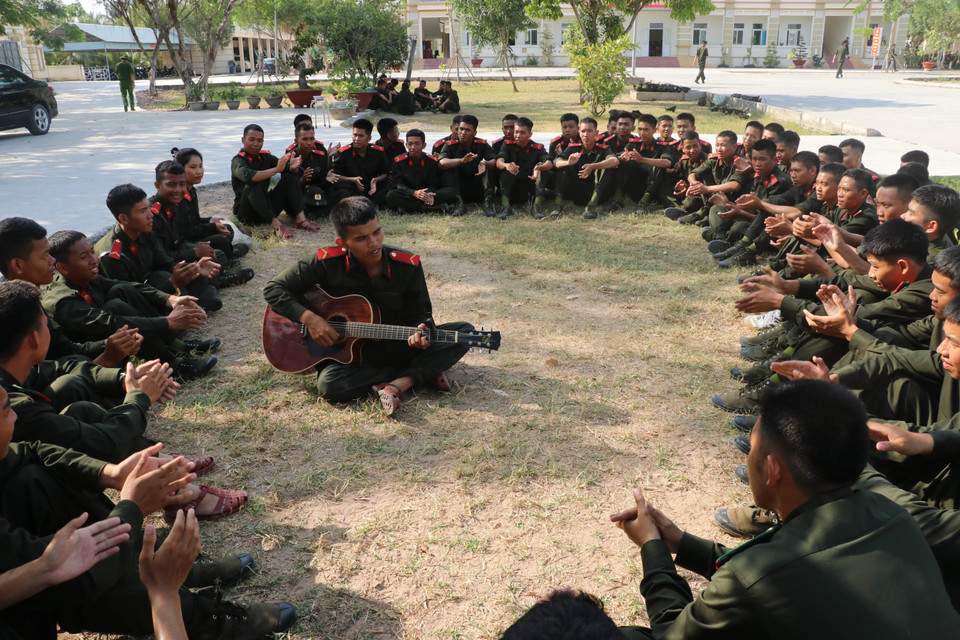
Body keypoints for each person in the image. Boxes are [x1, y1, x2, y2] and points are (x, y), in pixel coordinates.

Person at [610, 380, 960, 639]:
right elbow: (773, 575)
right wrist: (680, 542)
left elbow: (672, 632)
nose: (749, 459)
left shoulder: (756, 575)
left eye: (754, 449)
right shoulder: (891, 514)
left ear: (774, 469)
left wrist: (652, 548)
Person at [262, 197, 474, 416]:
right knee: (329, 386)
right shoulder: (325, 262)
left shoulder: (407, 265)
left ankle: (401, 383)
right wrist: (310, 319)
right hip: (354, 357)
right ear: (342, 243)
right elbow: (273, 289)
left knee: (466, 332)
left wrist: (420, 329)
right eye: (362, 238)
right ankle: (420, 373)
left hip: (398, 344)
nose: (374, 242)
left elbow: (420, 312)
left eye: (377, 232)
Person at [45, 230, 220, 380]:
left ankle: (176, 346)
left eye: (92, 252)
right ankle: (173, 365)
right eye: (84, 257)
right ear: (63, 268)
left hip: (113, 339)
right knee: (115, 308)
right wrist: (168, 321)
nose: (94, 259)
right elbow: (111, 322)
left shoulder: (83, 277)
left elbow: (129, 285)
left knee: (122, 289)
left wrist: (169, 299)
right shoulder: (62, 301)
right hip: (95, 356)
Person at [0, 217, 142, 367]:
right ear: (17, 265)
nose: (52, 260)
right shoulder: (15, 316)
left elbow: (66, 348)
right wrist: (106, 359)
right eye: (45, 255)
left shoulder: (30, 299)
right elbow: (49, 378)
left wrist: (107, 343)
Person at [94, 184, 222, 312]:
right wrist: (172, 284)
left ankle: (191, 303)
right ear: (124, 218)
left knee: (193, 276)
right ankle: (191, 306)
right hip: (133, 299)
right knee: (161, 278)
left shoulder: (144, 231)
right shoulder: (112, 255)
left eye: (149, 208)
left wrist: (194, 269)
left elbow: (165, 262)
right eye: (143, 211)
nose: (151, 215)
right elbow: (131, 295)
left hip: (150, 285)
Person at [150, 161, 254, 290]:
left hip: (176, 253)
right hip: (163, 266)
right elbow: (162, 259)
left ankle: (218, 272)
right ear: (157, 185)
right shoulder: (152, 215)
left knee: (217, 253)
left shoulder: (173, 203)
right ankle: (218, 281)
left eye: (182, 184)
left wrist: (197, 248)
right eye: (171, 185)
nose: (178, 190)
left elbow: (180, 238)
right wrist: (194, 252)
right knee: (202, 271)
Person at [230, 124, 322, 239]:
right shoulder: (238, 160)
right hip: (246, 213)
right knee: (252, 184)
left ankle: (301, 219)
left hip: (265, 207)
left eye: (259, 140)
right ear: (243, 140)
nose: (256, 144)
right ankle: (275, 224)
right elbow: (250, 177)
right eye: (251, 139)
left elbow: (282, 165)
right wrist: (276, 170)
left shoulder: (265, 157)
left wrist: (291, 166)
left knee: (290, 178)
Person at [172, 147, 250, 263]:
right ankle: (228, 256)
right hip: (186, 242)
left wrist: (210, 220)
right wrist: (211, 227)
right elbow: (186, 231)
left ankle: (226, 253)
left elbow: (194, 220)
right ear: (180, 169)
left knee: (227, 229)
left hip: (194, 235)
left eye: (200, 166)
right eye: (193, 167)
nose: (199, 171)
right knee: (220, 239)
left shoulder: (191, 190)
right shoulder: (179, 195)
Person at [550, 117, 620, 220]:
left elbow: (615, 161)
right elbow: (556, 162)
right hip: (578, 190)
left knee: (606, 167)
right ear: (579, 132)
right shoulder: (573, 148)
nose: (585, 134)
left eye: (589, 131)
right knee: (564, 167)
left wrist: (593, 166)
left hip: (598, 191)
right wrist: (568, 162)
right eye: (583, 131)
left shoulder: (603, 149)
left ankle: (592, 206)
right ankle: (557, 205)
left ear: (596, 133)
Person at [384, 129, 458, 214]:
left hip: (426, 194)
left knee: (452, 192)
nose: (413, 147)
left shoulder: (431, 161)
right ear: (406, 145)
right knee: (391, 195)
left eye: (417, 144)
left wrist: (429, 193)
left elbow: (434, 183)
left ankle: (408, 207)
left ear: (424, 145)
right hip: (408, 194)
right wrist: (414, 193)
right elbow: (398, 184)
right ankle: (428, 208)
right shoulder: (398, 161)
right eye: (410, 144)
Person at [438, 114, 497, 216]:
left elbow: (494, 160)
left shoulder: (481, 144)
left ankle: (488, 202)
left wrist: (485, 164)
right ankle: (459, 203)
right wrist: (461, 160)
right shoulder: (449, 145)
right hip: (457, 187)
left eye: (467, 130)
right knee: (449, 166)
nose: (462, 133)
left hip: (477, 187)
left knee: (490, 168)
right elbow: (441, 163)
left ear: (474, 133)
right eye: (461, 129)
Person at [496, 117, 552, 219]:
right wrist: (506, 165)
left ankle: (536, 207)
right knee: (506, 170)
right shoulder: (507, 145)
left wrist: (539, 167)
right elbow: (499, 162)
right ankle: (505, 207)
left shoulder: (537, 147)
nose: (518, 135)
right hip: (512, 187)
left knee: (543, 171)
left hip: (530, 187)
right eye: (516, 132)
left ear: (530, 135)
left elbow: (549, 163)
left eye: (522, 133)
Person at [330, 118, 390, 206]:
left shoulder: (378, 152)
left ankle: (368, 202)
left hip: (372, 187)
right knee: (340, 186)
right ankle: (365, 202)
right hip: (353, 188)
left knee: (391, 186)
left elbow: (385, 172)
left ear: (369, 138)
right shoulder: (343, 153)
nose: (357, 139)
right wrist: (353, 179)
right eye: (355, 135)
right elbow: (336, 176)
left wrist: (376, 180)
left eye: (361, 136)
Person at [291, 123, 334, 218]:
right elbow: (288, 186)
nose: (309, 143)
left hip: (317, 193)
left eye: (312, 139)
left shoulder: (320, 155)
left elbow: (322, 181)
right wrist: (302, 180)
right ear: (296, 141)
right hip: (300, 195)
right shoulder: (291, 157)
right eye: (305, 139)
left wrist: (327, 179)